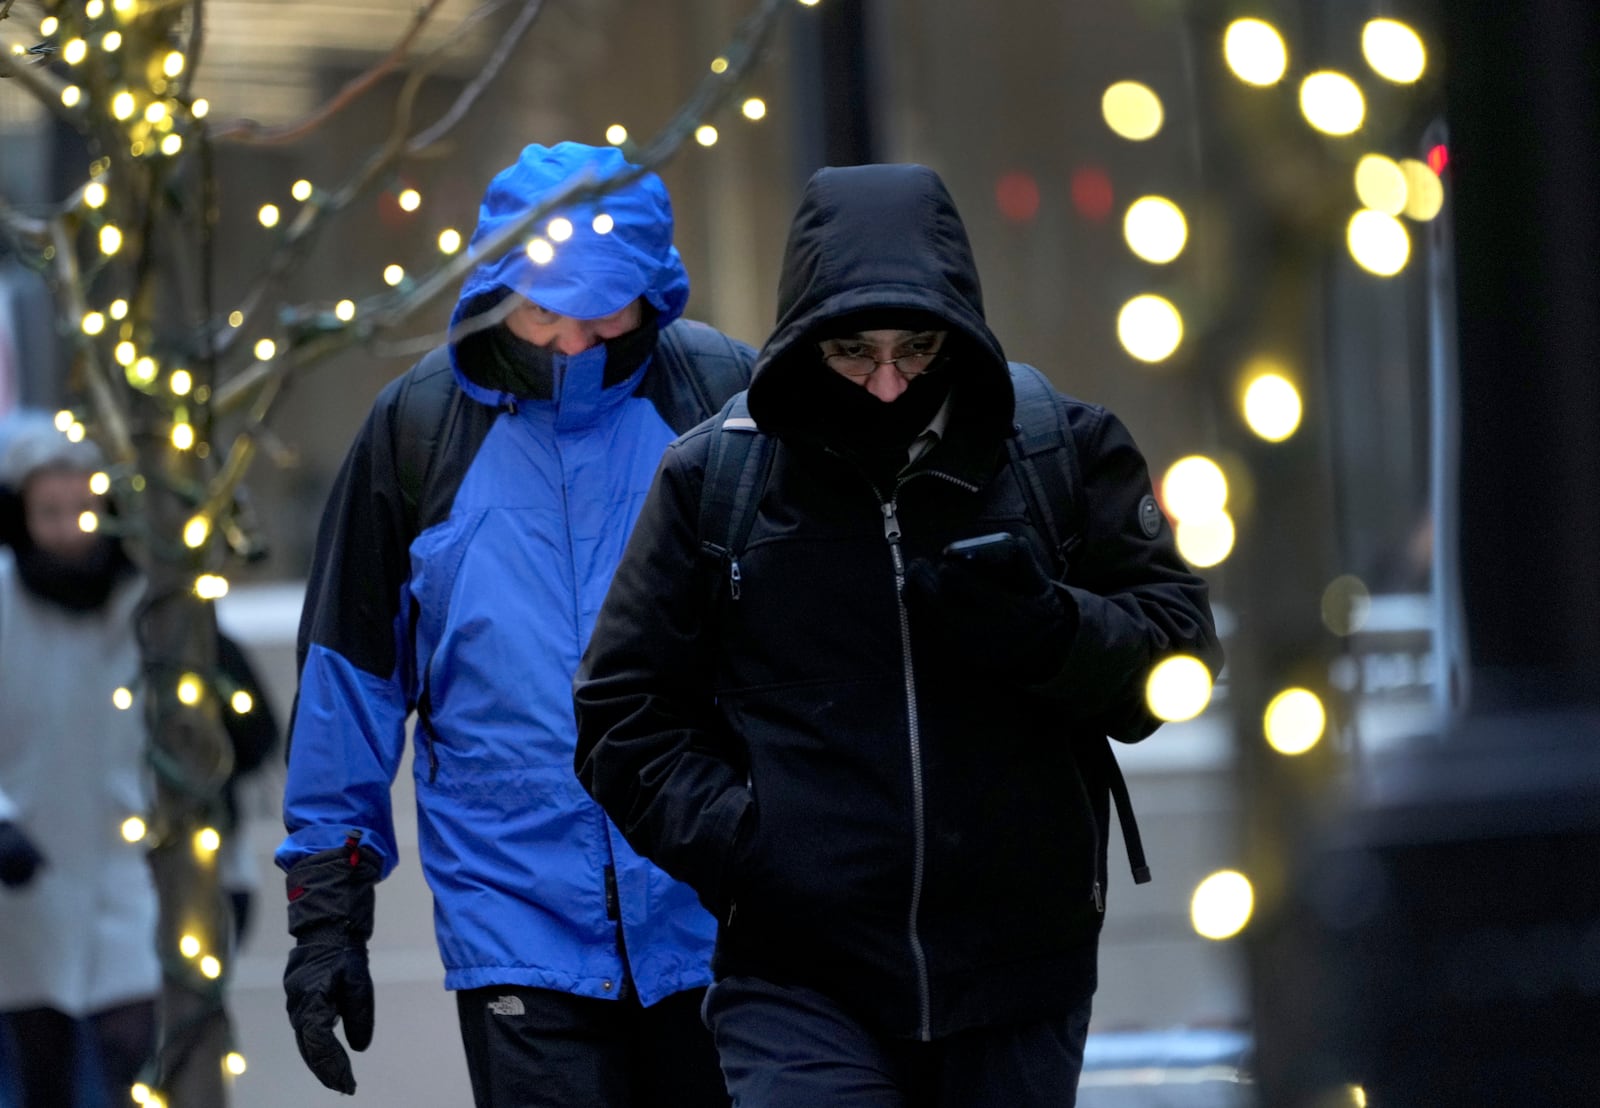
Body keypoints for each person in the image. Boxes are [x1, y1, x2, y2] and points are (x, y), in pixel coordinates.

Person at [573, 162, 1224, 1107]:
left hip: (1019, 975)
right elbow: (621, 710)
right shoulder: (719, 479)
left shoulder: (1058, 450)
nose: (886, 384)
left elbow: (1181, 659)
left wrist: (1047, 629)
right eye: (853, 354)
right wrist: (749, 841)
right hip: (797, 976)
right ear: (806, 340)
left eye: (916, 351)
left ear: (957, 336)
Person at [277, 142, 753, 1105]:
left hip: (716, 903)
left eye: (603, 312)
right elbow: (353, 677)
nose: (573, 344)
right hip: (517, 916)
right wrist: (328, 909)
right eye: (546, 312)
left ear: (652, 293)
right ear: (499, 289)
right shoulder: (418, 428)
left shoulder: (721, 402)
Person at [0, 413, 158, 1108]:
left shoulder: (142, 603)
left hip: (130, 863)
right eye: (49, 512)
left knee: (138, 1051)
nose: (69, 528)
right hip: (27, 877)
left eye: (84, 509)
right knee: (43, 1070)